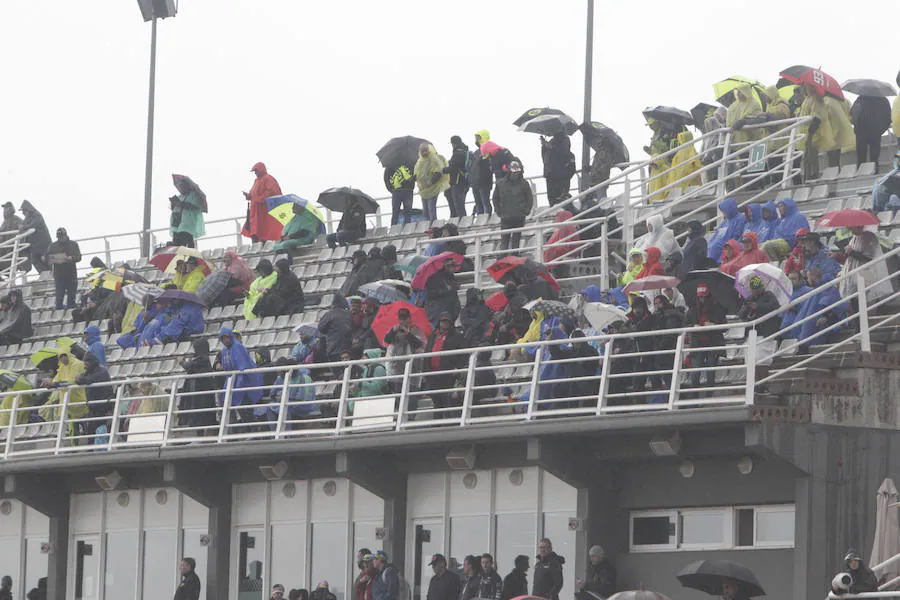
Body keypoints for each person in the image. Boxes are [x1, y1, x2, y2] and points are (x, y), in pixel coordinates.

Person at [215, 328, 264, 425]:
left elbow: (242, 367)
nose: (226, 340)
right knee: (240, 409)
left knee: (245, 409)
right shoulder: (224, 350)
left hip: (246, 382)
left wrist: (237, 386)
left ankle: (254, 431)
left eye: (227, 337)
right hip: (235, 382)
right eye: (223, 338)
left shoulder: (237, 347)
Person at [422, 313, 467, 415]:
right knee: (436, 400)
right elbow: (427, 353)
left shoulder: (456, 336)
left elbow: (463, 353)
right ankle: (437, 422)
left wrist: (457, 368)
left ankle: (448, 421)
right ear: (439, 322)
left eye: (447, 321)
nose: (445, 323)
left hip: (448, 373)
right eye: (443, 321)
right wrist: (425, 371)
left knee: (447, 399)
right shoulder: (433, 335)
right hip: (433, 374)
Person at [839, 225, 893, 305]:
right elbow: (850, 253)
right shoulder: (854, 237)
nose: (850, 230)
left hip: (866, 270)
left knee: (865, 295)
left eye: (852, 228)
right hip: (853, 271)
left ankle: (865, 314)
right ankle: (857, 316)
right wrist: (845, 252)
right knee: (853, 296)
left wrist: (852, 252)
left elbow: (868, 258)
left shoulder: (869, 236)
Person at [686, 284, 727, 388]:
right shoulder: (692, 310)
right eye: (700, 297)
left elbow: (725, 326)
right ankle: (695, 399)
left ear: (709, 296)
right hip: (697, 344)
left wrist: (714, 325)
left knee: (710, 372)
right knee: (695, 373)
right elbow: (685, 324)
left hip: (712, 344)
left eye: (704, 297)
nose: (702, 299)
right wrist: (693, 326)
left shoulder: (718, 308)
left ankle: (708, 396)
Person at [178, 339, 220, 432]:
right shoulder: (202, 359)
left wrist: (181, 361)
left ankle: (206, 435)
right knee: (199, 415)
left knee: (203, 415)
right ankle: (201, 434)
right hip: (199, 393)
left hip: (202, 393)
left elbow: (189, 366)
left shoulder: (203, 359)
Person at [492, 160, 533, 251]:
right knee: (504, 241)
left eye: (517, 172)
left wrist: (526, 210)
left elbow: (529, 198)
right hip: (505, 217)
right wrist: (498, 211)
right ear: (509, 171)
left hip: (519, 217)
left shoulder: (524, 183)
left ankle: (514, 259)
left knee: (516, 241)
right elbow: (495, 198)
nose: (516, 174)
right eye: (514, 172)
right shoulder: (500, 184)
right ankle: (503, 259)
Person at [384, 307, 425, 393]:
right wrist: (392, 331)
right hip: (395, 368)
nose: (403, 321)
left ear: (409, 319)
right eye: (401, 318)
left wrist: (408, 334)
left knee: (410, 392)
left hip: (412, 367)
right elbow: (386, 340)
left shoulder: (416, 330)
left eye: (405, 318)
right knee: (396, 394)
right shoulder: (394, 329)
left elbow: (419, 344)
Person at [242, 162, 283, 242]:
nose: (255, 173)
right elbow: (253, 194)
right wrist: (249, 196)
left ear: (261, 169)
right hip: (256, 214)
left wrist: (257, 198)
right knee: (255, 233)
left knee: (266, 233)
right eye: (254, 171)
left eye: (256, 171)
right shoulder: (256, 181)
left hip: (264, 214)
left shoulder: (268, 179)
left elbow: (272, 193)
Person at [850, 95, 891, 168]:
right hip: (876, 132)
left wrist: (856, 125)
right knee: (874, 158)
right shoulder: (883, 100)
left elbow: (852, 114)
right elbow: (888, 117)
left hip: (861, 131)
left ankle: (861, 174)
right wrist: (881, 129)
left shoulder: (860, 99)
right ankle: (874, 172)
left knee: (861, 158)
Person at [45, 227, 81, 309]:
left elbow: (79, 257)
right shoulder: (53, 246)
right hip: (59, 274)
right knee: (59, 293)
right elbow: (47, 258)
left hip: (71, 272)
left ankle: (70, 307)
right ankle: (59, 307)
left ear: (66, 235)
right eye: (59, 237)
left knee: (72, 293)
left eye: (62, 237)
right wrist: (49, 259)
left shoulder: (73, 244)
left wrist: (72, 258)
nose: (61, 239)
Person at [415, 143, 451, 222]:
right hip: (423, 189)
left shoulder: (433, 159)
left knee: (431, 208)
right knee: (425, 210)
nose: (424, 153)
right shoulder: (420, 161)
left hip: (432, 188)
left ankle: (433, 225)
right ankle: (428, 226)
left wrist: (431, 182)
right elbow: (417, 173)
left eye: (426, 150)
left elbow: (438, 172)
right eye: (422, 151)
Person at [170, 175, 207, 248]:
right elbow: (175, 209)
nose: (180, 187)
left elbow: (195, 206)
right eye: (179, 185)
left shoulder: (194, 195)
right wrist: (173, 204)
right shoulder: (180, 196)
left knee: (186, 239)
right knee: (176, 243)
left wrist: (181, 204)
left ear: (187, 185)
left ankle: (192, 257)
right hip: (177, 224)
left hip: (187, 223)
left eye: (182, 185)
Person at [707, 198, 747, 263]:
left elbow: (737, 235)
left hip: (728, 243)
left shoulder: (741, 219)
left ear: (729, 209)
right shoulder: (725, 220)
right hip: (718, 243)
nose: (723, 213)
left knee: (715, 247)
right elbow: (717, 233)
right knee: (710, 246)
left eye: (724, 211)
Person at [424, 258, 461, 326]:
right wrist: (445, 290)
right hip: (438, 315)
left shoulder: (452, 278)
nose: (455, 269)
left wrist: (456, 312)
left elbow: (454, 296)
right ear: (447, 267)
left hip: (450, 314)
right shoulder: (434, 278)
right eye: (453, 266)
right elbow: (430, 295)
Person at [544, 209, 580, 276]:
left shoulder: (566, 229)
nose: (556, 221)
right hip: (562, 255)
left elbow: (564, 247)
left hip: (565, 256)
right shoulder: (565, 228)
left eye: (558, 218)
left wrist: (552, 251)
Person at [319, 294, 354, 363]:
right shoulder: (349, 315)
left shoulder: (329, 314)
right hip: (347, 349)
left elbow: (321, 328)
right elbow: (353, 328)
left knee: (336, 370)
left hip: (333, 348)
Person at [542, 133, 575, 204]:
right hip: (551, 177)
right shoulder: (550, 153)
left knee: (562, 200)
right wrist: (544, 147)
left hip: (562, 179)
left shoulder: (569, 154)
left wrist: (551, 147)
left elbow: (563, 152)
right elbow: (545, 160)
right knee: (552, 200)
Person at [19, 200, 52, 273]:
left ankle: (50, 274)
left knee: (46, 260)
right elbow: (23, 225)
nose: (23, 213)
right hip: (34, 246)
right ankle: (44, 274)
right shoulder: (27, 218)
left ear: (28, 209)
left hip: (43, 245)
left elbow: (34, 225)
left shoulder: (37, 215)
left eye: (24, 211)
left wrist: (24, 227)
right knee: (34, 260)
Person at [445, 136, 471, 217]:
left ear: (453, 143)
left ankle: (461, 220)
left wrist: (443, 170)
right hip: (466, 181)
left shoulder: (457, 154)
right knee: (461, 203)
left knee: (459, 204)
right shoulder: (465, 152)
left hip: (457, 182)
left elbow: (452, 167)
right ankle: (461, 219)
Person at [470, 130, 494, 215]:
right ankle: (480, 220)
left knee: (485, 202)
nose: (476, 140)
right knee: (478, 204)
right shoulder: (476, 152)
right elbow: (473, 167)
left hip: (484, 181)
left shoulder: (489, 151)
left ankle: (488, 218)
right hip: (475, 182)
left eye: (478, 137)